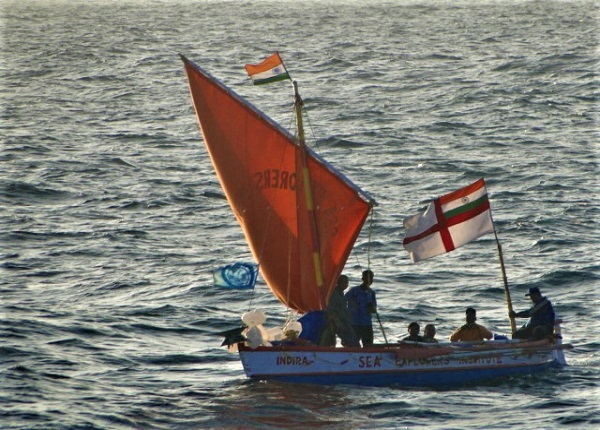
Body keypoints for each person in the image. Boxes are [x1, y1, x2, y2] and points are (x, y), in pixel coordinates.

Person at [320, 275, 360, 347]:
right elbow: (330, 310)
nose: (346, 285)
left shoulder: (341, 293)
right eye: (344, 282)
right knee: (329, 342)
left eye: (347, 283)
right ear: (339, 283)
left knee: (351, 340)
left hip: (342, 321)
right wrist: (337, 322)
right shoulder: (334, 294)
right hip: (335, 322)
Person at [345, 269, 377, 347]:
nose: (369, 280)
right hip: (354, 323)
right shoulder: (354, 290)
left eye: (371, 278)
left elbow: (374, 311)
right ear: (362, 279)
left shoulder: (371, 293)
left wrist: (371, 307)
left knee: (368, 346)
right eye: (367, 278)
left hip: (367, 324)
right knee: (352, 345)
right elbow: (343, 300)